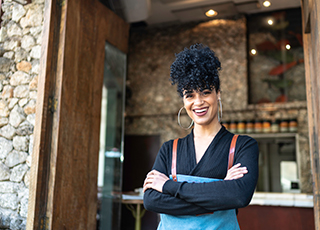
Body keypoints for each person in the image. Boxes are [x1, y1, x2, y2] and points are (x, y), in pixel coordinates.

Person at [143, 44, 259, 229]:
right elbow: (151, 201)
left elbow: (238, 196)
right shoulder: (169, 149)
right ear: (183, 100)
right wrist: (220, 190)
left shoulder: (242, 146)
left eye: (205, 92)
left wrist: (169, 187)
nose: (198, 102)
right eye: (190, 95)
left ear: (218, 94)